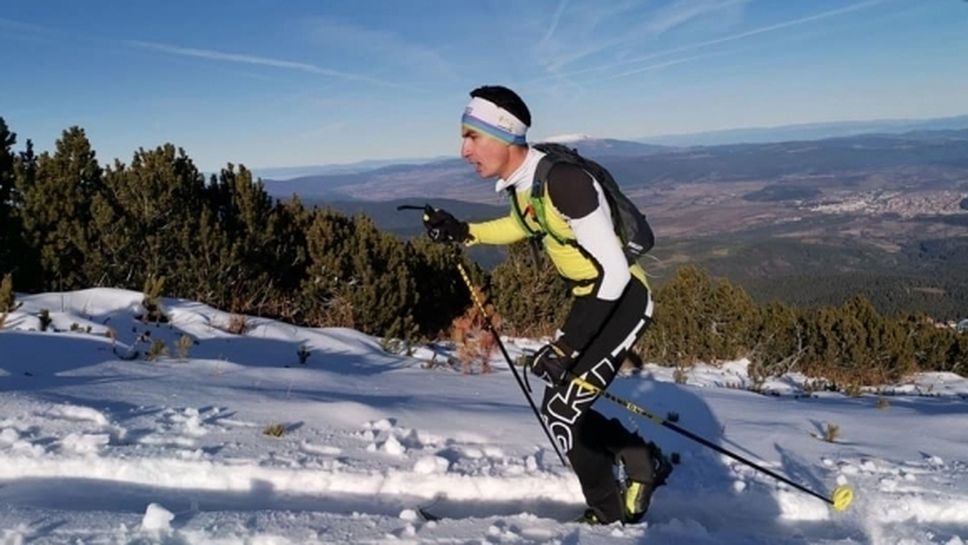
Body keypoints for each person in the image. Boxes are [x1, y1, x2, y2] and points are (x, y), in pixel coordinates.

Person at [423, 85, 671, 524]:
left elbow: (615, 274)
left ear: (504, 134)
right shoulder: (528, 184)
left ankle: (610, 516)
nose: (463, 150)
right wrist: (465, 232)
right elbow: (521, 226)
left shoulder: (565, 183)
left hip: (623, 301)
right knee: (563, 406)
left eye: (472, 136)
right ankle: (640, 459)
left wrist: (566, 345)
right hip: (593, 300)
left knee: (561, 411)